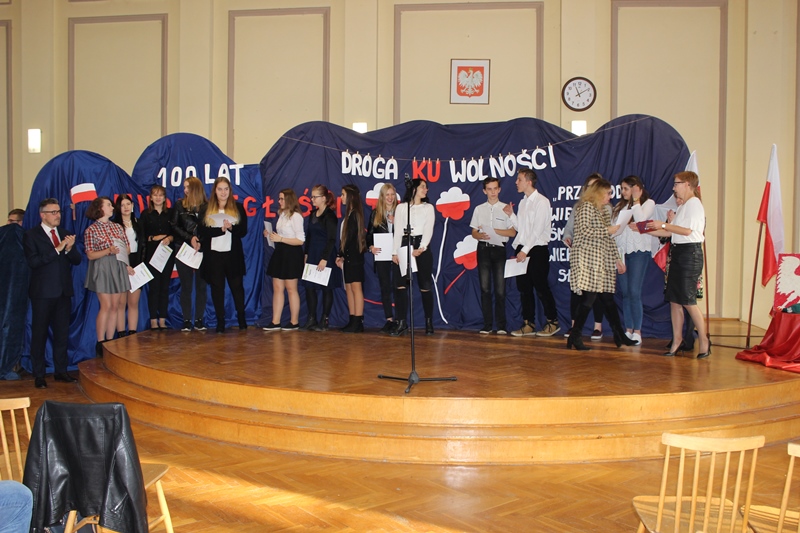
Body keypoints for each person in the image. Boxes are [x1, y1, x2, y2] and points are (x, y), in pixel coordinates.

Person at [566, 179, 638, 350]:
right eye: (608, 193)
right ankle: (575, 336)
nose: (610, 196)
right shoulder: (585, 207)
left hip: (602, 259)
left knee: (607, 298)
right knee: (589, 297)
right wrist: (607, 230)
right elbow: (583, 231)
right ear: (598, 193)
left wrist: (617, 258)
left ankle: (619, 335)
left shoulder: (604, 210)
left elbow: (609, 238)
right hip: (587, 258)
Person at [646, 171, 710, 358]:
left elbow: (687, 231)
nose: (674, 187)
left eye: (677, 183)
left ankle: (704, 340)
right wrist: (645, 230)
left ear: (688, 184)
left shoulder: (694, 204)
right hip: (678, 253)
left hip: (689, 254)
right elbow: (672, 233)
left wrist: (663, 224)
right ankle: (677, 340)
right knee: (674, 300)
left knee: (688, 300)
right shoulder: (683, 206)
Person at [23, 198, 81, 388]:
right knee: (39, 334)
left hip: (63, 292)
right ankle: (39, 374)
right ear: (43, 215)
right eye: (53, 212)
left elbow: (77, 260)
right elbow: (34, 262)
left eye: (59, 212)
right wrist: (57, 249)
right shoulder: (31, 235)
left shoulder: (64, 233)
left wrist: (70, 249)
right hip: (42, 293)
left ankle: (61, 371)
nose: (58, 215)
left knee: (62, 334)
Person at [504, 168, 561, 337]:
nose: (516, 182)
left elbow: (537, 230)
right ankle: (528, 323)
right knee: (524, 288)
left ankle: (552, 322)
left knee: (541, 287)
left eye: (519, 179)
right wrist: (511, 216)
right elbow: (522, 229)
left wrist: (525, 251)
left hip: (536, 249)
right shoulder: (523, 202)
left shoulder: (542, 202)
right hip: (524, 247)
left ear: (529, 182)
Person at [84, 196, 136, 358]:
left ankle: (110, 340)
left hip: (118, 266)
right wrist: (108, 251)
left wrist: (125, 263)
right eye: (108, 205)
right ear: (100, 208)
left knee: (115, 305)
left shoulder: (117, 227)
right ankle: (100, 342)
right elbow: (90, 254)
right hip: (103, 267)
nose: (112, 207)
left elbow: (127, 248)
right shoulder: (91, 230)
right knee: (106, 305)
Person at [198, 176, 248, 333]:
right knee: (217, 290)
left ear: (230, 191)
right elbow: (202, 232)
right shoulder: (206, 209)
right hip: (214, 256)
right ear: (215, 191)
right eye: (220, 189)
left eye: (226, 189)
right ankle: (220, 322)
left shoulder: (238, 208)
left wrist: (231, 228)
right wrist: (220, 230)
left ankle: (242, 319)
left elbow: (243, 231)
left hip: (233, 256)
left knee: (237, 288)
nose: (223, 192)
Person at [612, 175, 657, 345]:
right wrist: (617, 257)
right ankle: (628, 329)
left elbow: (641, 221)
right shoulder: (619, 207)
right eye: (621, 189)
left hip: (638, 252)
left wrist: (636, 200)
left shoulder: (648, 203)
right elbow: (614, 232)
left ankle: (637, 331)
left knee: (634, 291)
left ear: (636, 188)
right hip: (622, 253)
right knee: (625, 293)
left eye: (626, 188)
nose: (623, 192)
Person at [469, 177, 515, 334]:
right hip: (483, 249)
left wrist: (495, 231)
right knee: (485, 288)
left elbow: (512, 232)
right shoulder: (479, 209)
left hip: (499, 249)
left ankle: (501, 325)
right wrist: (480, 235)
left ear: (499, 189)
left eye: (495, 188)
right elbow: (474, 232)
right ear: (484, 191)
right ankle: (487, 324)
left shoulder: (506, 208)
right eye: (489, 189)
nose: (493, 192)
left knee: (500, 289)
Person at [563, 173, 607, 340]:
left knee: (596, 292)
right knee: (576, 291)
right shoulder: (578, 207)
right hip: (580, 255)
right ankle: (574, 326)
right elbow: (569, 228)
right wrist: (568, 237)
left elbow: (607, 232)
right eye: (589, 186)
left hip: (597, 256)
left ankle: (598, 327)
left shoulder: (606, 207)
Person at [391, 178, 436, 336]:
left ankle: (429, 322)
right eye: (423, 186)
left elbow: (428, 229)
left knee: (425, 285)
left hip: (421, 246)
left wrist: (421, 248)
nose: (426, 189)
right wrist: (395, 252)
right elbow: (397, 231)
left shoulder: (428, 208)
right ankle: (402, 322)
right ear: (414, 188)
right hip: (405, 243)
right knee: (400, 285)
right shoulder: (402, 208)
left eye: (426, 187)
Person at [263, 189, 305, 331]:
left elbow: (300, 240)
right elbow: (281, 236)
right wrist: (270, 235)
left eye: (281, 199)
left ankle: (294, 321)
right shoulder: (282, 215)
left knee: (291, 288)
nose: (279, 201)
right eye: (279, 198)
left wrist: (280, 238)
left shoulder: (296, 216)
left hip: (292, 253)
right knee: (277, 287)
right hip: (280, 252)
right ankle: (275, 321)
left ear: (289, 200)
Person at [171, 176, 208, 331]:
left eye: (188, 187)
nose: (185, 190)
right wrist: (190, 238)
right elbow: (174, 226)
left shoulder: (207, 206)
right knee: (186, 286)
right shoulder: (180, 205)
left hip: (202, 250)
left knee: (201, 286)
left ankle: (199, 319)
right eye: (184, 187)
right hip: (184, 249)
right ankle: (186, 320)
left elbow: (209, 227)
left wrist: (200, 241)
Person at [302, 184, 338, 332]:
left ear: (323, 198)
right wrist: (306, 254)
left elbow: (331, 239)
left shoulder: (330, 216)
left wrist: (324, 258)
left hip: (325, 255)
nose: (312, 199)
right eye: (311, 197)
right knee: (309, 287)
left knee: (326, 288)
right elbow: (309, 236)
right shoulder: (312, 214)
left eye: (315, 197)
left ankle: (324, 319)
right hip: (312, 253)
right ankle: (312, 318)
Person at [141, 184, 175, 330]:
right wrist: (153, 238)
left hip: (167, 254)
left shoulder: (171, 213)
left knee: (164, 288)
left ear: (165, 198)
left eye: (161, 195)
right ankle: (153, 320)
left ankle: (162, 319)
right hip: (152, 255)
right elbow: (141, 236)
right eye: (155, 195)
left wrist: (170, 238)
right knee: (154, 288)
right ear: (150, 198)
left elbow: (176, 232)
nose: (158, 197)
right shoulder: (145, 214)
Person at [366, 184, 398, 334]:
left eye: (392, 194)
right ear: (382, 197)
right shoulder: (376, 213)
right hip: (382, 254)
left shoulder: (401, 212)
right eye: (387, 195)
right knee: (385, 287)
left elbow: (409, 232)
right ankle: (389, 320)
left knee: (399, 287)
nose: (390, 198)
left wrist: (397, 221)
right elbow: (369, 235)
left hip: (398, 254)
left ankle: (401, 320)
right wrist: (371, 247)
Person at [112, 194, 143, 337]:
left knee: (133, 302)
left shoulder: (138, 223)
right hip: (121, 262)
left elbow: (143, 244)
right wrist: (124, 263)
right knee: (121, 302)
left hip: (137, 262)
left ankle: (132, 332)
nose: (126, 207)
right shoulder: (114, 225)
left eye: (128, 204)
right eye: (122, 205)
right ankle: (121, 333)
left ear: (132, 206)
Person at [336, 184, 366, 333]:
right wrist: (341, 254)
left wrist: (341, 253)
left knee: (356, 287)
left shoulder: (355, 215)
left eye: (343, 194)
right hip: (348, 257)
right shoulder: (349, 215)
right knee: (349, 288)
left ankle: (358, 320)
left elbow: (350, 238)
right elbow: (344, 239)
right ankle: (352, 318)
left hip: (354, 257)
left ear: (350, 196)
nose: (341, 197)